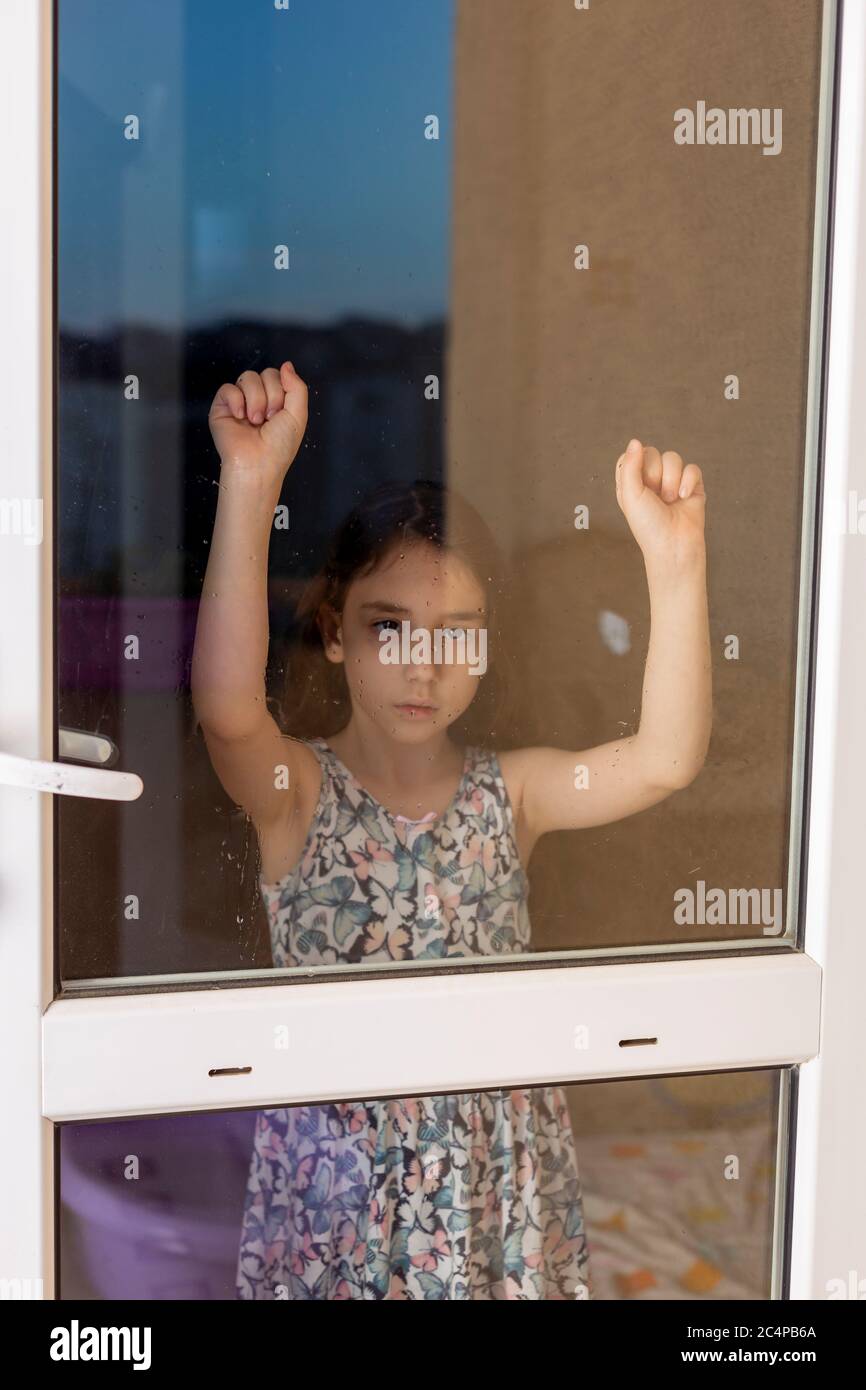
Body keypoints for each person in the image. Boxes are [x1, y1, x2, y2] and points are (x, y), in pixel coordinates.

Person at [191, 361, 712, 1299]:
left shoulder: (512, 796)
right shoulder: (298, 795)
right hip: (338, 1199)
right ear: (336, 632)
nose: (424, 666)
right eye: (391, 628)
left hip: (495, 1199)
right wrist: (252, 483)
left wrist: (675, 566)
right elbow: (229, 713)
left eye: (456, 631)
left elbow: (666, 759)